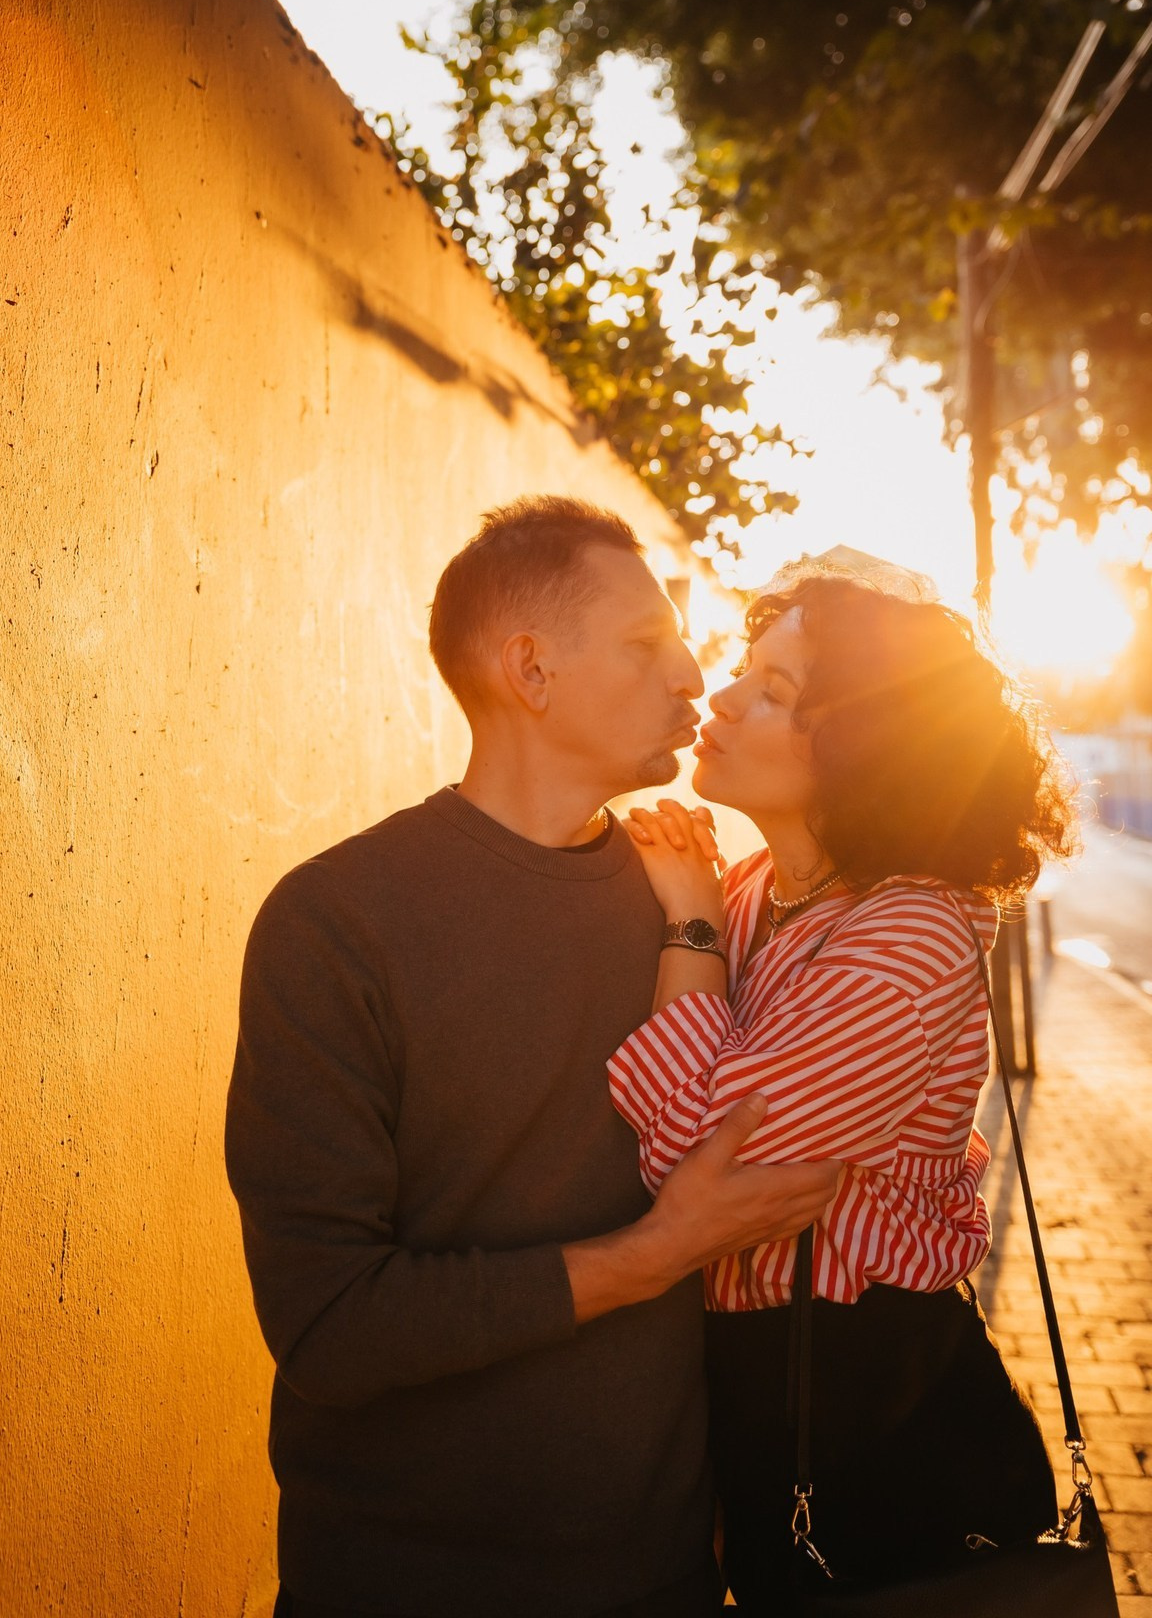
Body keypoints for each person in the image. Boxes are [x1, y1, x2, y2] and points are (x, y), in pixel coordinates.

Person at [224, 496, 838, 1618]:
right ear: (530, 670)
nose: (691, 676)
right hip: (396, 1582)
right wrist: (652, 1254)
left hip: (660, 1580)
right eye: (647, 644)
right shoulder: (335, 922)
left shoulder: (704, 908)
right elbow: (328, 1327)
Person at [611, 566, 1077, 1613]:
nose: (721, 700)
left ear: (861, 746)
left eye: (773, 692)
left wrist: (681, 921)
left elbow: (695, 1165)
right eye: (743, 672)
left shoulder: (906, 932)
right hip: (764, 1380)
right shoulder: (759, 891)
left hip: (881, 1412)